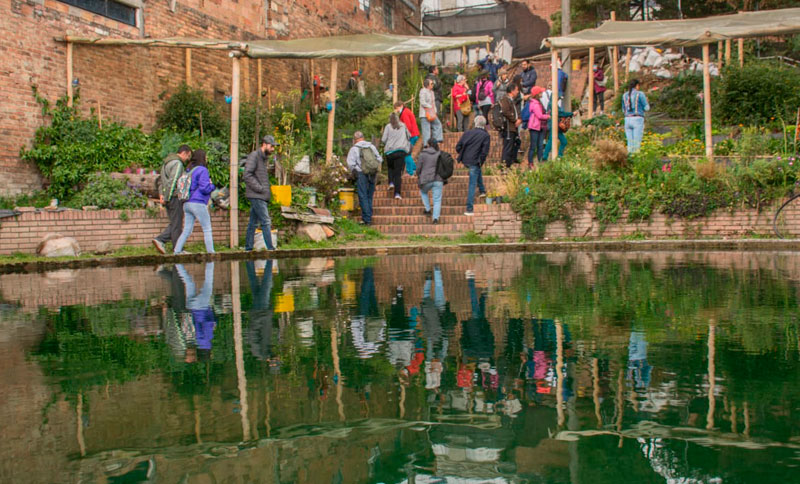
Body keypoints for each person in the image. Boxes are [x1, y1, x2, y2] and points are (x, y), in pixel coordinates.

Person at [173, 149, 216, 254]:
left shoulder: (188, 170)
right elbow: (204, 189)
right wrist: (212, 185)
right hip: (198, 203)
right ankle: (211, 253)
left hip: (187, 203)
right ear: (203, 158)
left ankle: (177, 251)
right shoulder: (202, 170)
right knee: (207, 228)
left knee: (187, 230)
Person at [152, 144, 191, 254]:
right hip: (174, 197)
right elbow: (173, 182)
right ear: (184, 153)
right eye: (188, 156)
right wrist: (168, 197)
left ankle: (174, 247)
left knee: (175, 223)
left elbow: (160, 181)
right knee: (177, 224)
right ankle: (171, 246)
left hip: (167, 196)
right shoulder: (177, 164)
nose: (188, 159)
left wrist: (162, 195)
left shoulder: (166, 163)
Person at [243, 135, 277, 251]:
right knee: (266, 221)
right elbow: (247, 174)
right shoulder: (254, 156)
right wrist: (260, 188)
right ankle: (271, 249)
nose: (273, 149)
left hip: (260, 195)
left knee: (253, 223)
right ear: (264, 144)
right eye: (271, 146)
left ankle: (248, 248)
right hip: (257, 195)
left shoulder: (262, 158)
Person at [456, 115, 491, 216]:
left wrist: (463, 153)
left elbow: (458, 146)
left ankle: (482, 190)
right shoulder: (485, 135)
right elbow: (484, 152)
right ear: (484, 125)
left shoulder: (468, 133)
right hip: (475, 160)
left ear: (475, 123)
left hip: (466, 159)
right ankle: (469, 208)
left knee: (476, 170)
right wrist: (481, 161)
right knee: (472, 183)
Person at [346, 131, 382, 225]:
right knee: (369, 195)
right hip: (372, 173)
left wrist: (354, 171)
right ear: (363, 137)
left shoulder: (354, 149)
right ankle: (368, 216)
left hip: (361, 173)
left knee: (363, 195)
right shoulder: (371, 146)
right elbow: (379, 159)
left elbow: (350, 163)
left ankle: (367, 219)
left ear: (354, 140)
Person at [381, 112, 411, 199]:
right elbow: (409, 136)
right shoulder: (403, 125)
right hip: (401, 151)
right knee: (398, 173)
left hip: (390, 152)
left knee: (390, 168)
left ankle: (391, 182)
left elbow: (383, 140)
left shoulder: (388, 126)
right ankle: (397, 193)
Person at [416, 139, 445, 224]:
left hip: (426, 179)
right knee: (437, 199)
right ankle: (435, 219)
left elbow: (418, 168)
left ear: (428, 144)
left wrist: (418, 174)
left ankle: (428, 209)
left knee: (423, 191)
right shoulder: (439, 153)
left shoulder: (423, 154)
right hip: (438, 179)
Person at [622, 78, 650, 153]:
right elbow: (647, 108)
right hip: (637, 119)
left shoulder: (624, 95)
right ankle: (636, 161)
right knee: (637, 143)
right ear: (637, 86)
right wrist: (647, 102)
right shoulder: (640, 94)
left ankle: (630, 160)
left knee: (630, 143)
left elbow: (623, 110)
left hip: (627, 119)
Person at [499, 83, 522, 168]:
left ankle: (509, 164)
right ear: (512, 91)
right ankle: (504, 166)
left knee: (513, 145)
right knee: (507, 147)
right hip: (508, 127)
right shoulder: (505, 100)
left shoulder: (512, 100)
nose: (517, 92)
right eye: (516, 90)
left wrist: (519, 119)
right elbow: (505, 111)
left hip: (513, 128)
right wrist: (515, 120)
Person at [526, 86, 550, 166]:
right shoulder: (535, 104)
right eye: (540, 92)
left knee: (539, 145)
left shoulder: (537, 102)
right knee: (534, 146)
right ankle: (530, 162)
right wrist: (548, 116)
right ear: (537, 94)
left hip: (539, 126)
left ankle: (539, 161)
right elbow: (539, 115)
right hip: (535, 126)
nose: (542, 93)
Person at [394, 101, 420, 175]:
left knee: (406, 154)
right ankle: (414, 169)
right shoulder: (407, 111)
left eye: (397, 108)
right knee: (407, 153)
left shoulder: (405, 113)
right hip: (414, 134)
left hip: (411, 135)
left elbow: (408, 126)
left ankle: (410, 171)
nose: (397, 110)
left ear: (401, 106)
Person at [419, 78, 442, 146]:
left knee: (437, 124)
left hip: (432, 113)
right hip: (424, 113)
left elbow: (433, 102)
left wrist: (434, 111)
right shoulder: (423, 91)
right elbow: (422, 102)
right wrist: (429, 107)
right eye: (431, 83)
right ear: (427, 85)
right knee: (426, 128)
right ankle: (426, 144)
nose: (433, 85)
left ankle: (437, 139)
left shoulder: (431, 92)